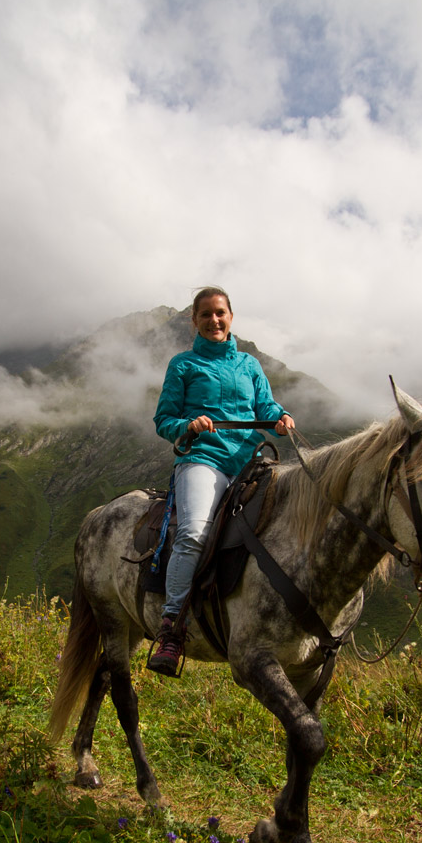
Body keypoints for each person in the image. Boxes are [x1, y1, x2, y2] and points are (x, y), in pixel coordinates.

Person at [148, 287, 294, 675]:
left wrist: (280, 416)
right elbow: (164, 421)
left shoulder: (250, 365)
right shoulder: (182, 365)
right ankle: (171, 627)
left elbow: (265, 406)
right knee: (194, 532)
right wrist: (188, 425)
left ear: (231, 317)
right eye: (206, 315)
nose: (215, 320)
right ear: (194, 321)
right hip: (203, 459)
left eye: (221, 313)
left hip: (250, 462)